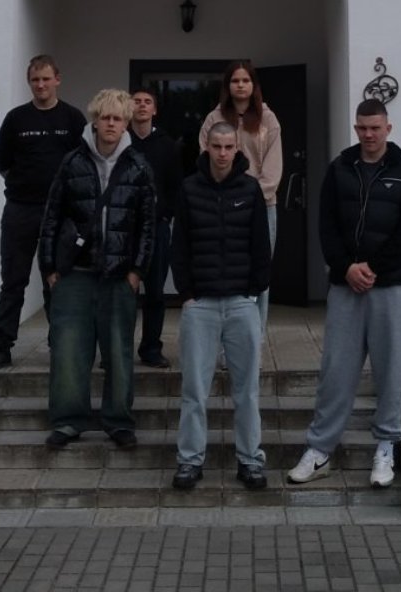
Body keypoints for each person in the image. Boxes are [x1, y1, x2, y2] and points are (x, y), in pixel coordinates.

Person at [287, 97, 401, 491]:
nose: (368, 135)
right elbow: (326, 226)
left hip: (391, 286)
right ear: (356, 128)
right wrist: (346, 266)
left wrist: (373, 268)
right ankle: (319, 450)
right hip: (345, 287)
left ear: (388, 129)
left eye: (375, 128)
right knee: (336, 371)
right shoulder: (339, 168)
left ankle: (386, 447)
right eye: (362, 128)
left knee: (390, 371)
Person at [38, 89, 156, 448]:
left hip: (119, 276)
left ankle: (118, 421)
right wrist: (49, 267)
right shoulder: (72, 162)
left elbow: (148, 225)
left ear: (126, 123)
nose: (111, 124)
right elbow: (52, 216)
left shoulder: (138, 167)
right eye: (105, 117)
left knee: (118, 352)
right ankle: (68, 420)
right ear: (95, 120)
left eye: (117, 118)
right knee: (68, 351)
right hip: (75, 273)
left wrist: (137, 272)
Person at [169, 120, 272, 491]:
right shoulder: (189, 189)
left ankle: (250, 461)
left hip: (242, 303)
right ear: (207, 148)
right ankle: (190, 461)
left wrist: (253, 290)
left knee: (247, 390)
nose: (223, 153)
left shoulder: (250, 189)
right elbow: (179, 244)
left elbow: (261, 244)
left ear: (236, 149)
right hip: (201, 305)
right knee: (195, 390)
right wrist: (187, 292)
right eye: (217, 146)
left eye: (229, 147)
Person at [0, 55, 87, 371]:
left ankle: (60, 346)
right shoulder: (16, 119)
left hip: (60, 214)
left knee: (57, 282)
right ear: (29, 83)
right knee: (13, 281)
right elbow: (2, 161)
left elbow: (83, 163)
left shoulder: (73, 118)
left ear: (57, 80)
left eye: (45, 79)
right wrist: (23, 185)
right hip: (20, 210)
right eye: (35, 80)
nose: (40, 85)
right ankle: (1, 348)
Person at [198, 62, 281, 327]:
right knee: (225, 267)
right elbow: (206, 160)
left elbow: (273, 169)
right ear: (228, 86)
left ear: (254, 85)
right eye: (235, 81)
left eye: (246, 80)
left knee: (259, 271)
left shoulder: (268, 119)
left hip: (262, 205)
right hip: (221, 204)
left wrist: (251, 196)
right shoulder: (214, 119)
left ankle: (255, 336)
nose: (241, 85)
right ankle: (225, 337)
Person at [127, 86, 183, 368]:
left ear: (155, 109)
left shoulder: (167, 145)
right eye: (136, 101)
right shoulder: (122, 141)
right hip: (125, 230)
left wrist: (165, 215)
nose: (141, 105)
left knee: (155, 293)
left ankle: (151, 348)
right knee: (124, 293)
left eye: (147, 101)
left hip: (157, 228)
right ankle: (119, 348)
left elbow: (175, 186)